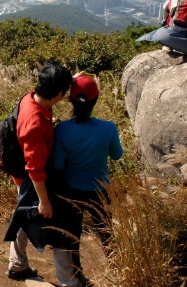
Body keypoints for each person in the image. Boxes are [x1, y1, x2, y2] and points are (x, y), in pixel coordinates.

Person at [51, 75, 124, 287]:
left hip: (71, 190)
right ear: (96, 100)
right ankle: (117, 268)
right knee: (106, 232)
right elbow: (117, 155)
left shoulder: (62, 129)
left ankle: (77, 274)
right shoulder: (108, 128)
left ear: (71, 100)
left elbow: (57, 165)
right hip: (99, 190)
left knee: (73, 235)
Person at [5, 61, 73, 281]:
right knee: (27, 214)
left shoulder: (32, 97)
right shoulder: (34, 123)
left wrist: (71, 79)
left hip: (26, 172)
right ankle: (17, 265)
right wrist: (44, 201)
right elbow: (34, 168)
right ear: (59, 93)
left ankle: (17, 264)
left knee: (24, 214)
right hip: (29, 177)